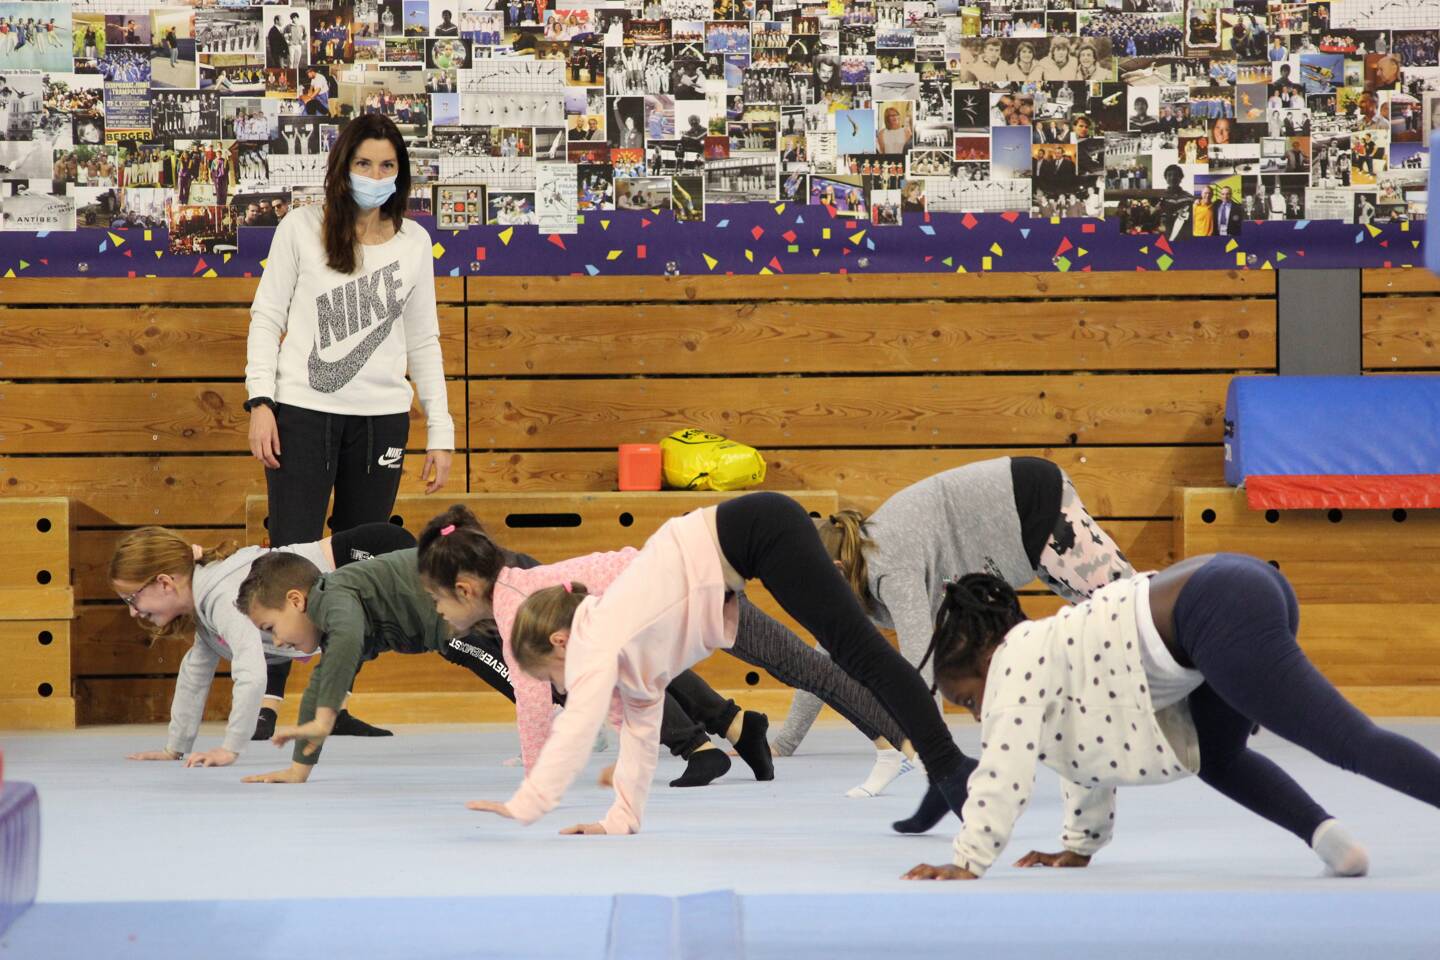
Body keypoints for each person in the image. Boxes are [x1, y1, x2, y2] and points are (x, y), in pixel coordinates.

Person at [900, 556, 1440, 881]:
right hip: (1237, 582)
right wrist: (1079, 845)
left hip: (1219, 606)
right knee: (1220, 756)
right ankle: (1336, 846)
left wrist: (968, 860)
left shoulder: (1013, 661)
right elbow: (1081, 761)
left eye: (968, 699)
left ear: (985, 660)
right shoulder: (1046, 648)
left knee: (1348, 741)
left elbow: (1005, 767)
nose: (978, 713)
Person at [465, 493, 979, 834]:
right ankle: (943, 768)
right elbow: (641, 735)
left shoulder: (601, 631)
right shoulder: (632, 667)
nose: (562, 690)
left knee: (855, 649)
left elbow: (577, 727)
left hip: (757, 529)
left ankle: (950, 767)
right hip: (736, 555)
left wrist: (527, 803)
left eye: (551, 678)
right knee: (842, 654)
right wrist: (619, 820)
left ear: (561, 642)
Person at [417, 504, 915, 791]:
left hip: (691, 585)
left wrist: (535, 783)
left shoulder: (516, 613)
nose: (437, 612)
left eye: (436, 599)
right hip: (687, 584)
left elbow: (533, 709)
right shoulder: (522, 586)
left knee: (809, 666)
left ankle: (907, 737)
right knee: (806, 668)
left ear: (464, 588)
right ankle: (905, 735)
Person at [245, 114, 454, 717]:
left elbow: (426, 344)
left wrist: (440, 430)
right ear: (343, 167)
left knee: (361, 568)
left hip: (382, 420)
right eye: (364, 164)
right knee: (291, 556)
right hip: (303, 414)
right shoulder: (301, 229)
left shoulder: (414, 244)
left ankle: (331, 704)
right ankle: (269, 701)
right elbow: (265, 320)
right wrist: (262, 402)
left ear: (401, 173)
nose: (375, 175)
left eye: (387, 166)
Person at [777, 457, 1134, 806]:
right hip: (1017, 530)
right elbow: (824, 655)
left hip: (1031, 499)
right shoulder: (858, 577)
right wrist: (783, 744)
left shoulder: (886, 565)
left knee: (1126, 608)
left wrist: (935, 753)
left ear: (837, 569)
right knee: (1105, 619)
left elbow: (920, 659)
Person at [112, 523, 415, 765]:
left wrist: (230, 749)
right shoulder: (204, 610)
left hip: (369, 552)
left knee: (447, 616)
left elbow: (252, 672)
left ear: (165, 583)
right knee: (437, 622)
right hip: (360, 571)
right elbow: (194, 676)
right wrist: (174, 748)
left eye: (132, 598)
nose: (133, 611)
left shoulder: (221, 597)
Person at [233, 545, 538, 782]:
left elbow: (348, 638)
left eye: (271, 628)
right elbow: (320, 687)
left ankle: (562, 722)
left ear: (296, 600)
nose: (277, 643)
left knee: (534, 677)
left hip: (484, 585)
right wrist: (298, 770)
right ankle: (568, 716)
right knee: (543, 668)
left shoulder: (333, 596)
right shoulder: (331, 622)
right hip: (473, 600)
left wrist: (326, 716)